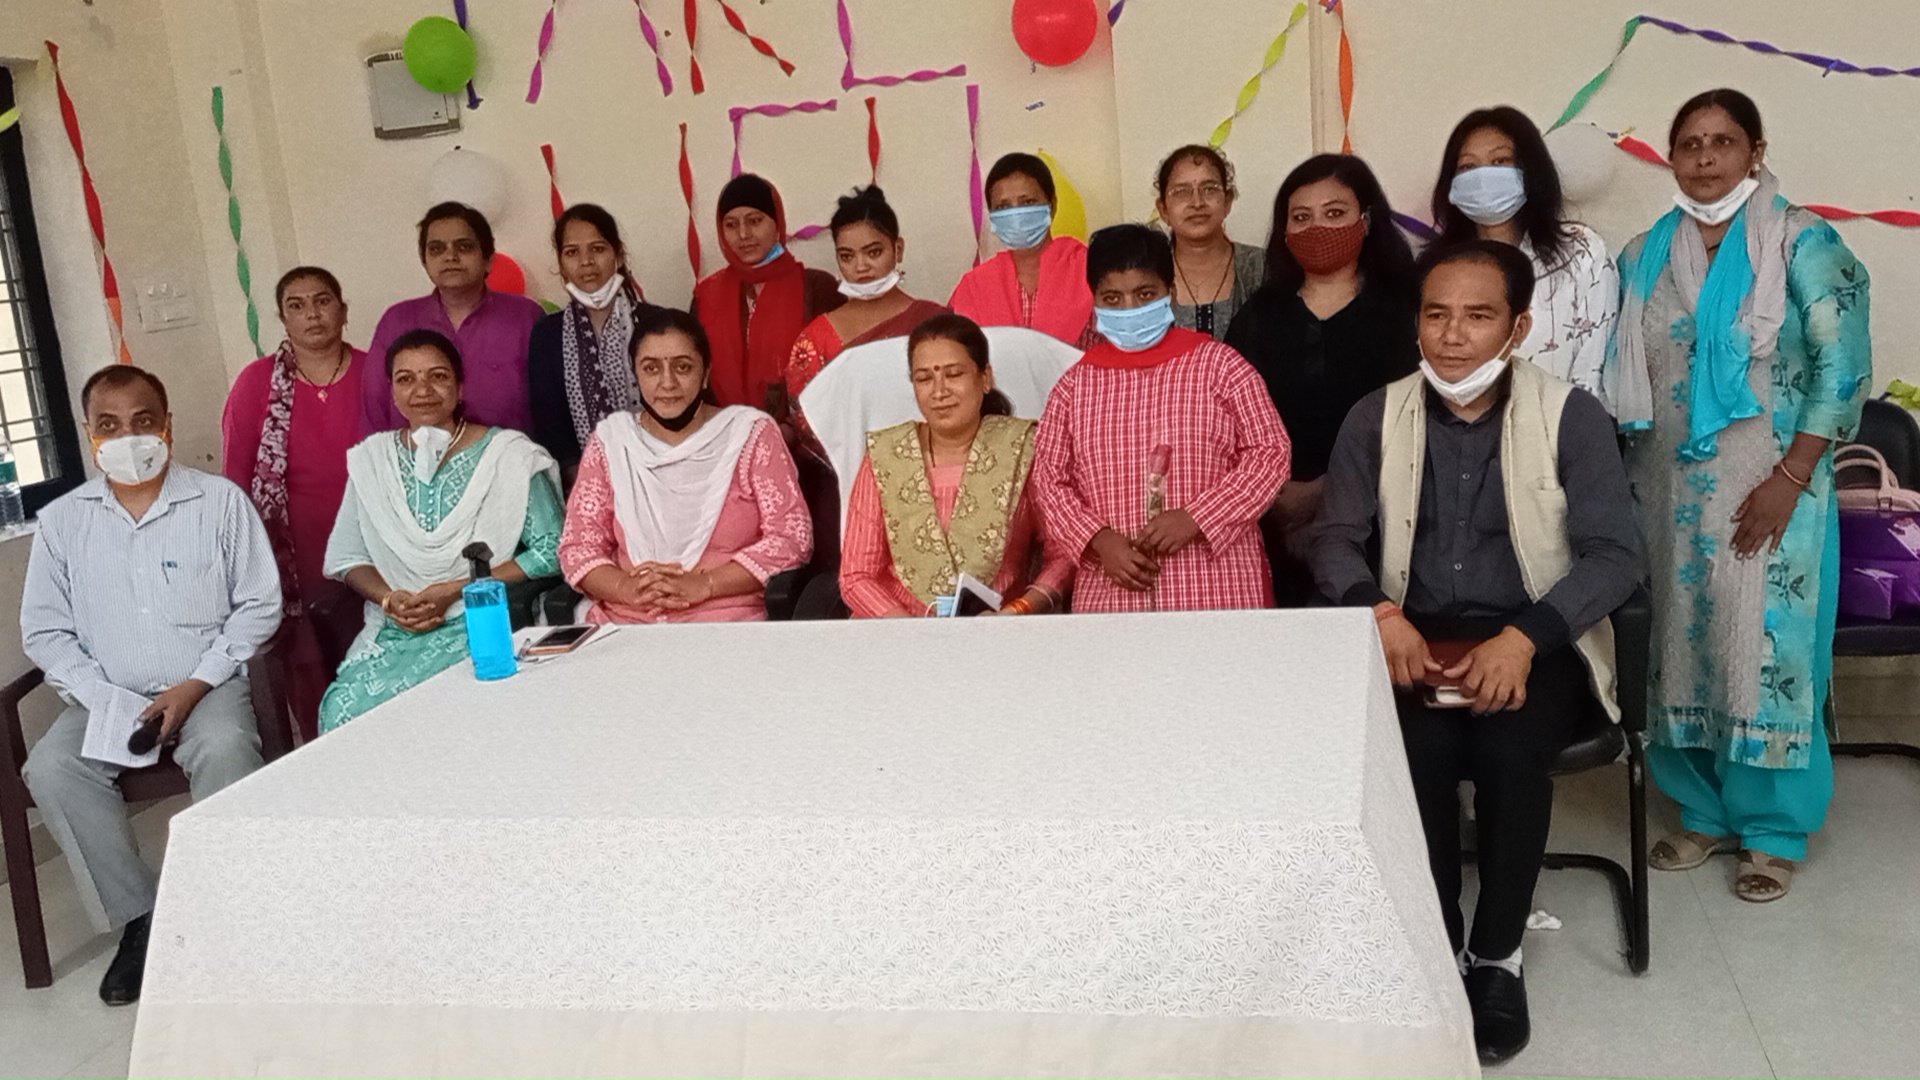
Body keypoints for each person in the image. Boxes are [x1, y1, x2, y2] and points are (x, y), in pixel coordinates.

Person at [1313, 241, 1642, 1065]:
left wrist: (1524, 639)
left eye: (1478, 316)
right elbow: (1334, 540)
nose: (1452, 336)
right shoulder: (1374, 415)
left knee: (1507, 752)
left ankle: (1496, 958)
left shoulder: (1572, 416)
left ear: (1518, 327)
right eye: (1436, 315)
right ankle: (1432, 943)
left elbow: (1615, 557)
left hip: (1537, 635)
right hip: (1412, 630)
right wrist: (1379, 613)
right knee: (1410, 757)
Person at [1611, 89, 1871, 902]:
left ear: (1756, 150)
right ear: (1670, 156)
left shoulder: (1802, 242)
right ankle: (1701, 812)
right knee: (1679, 651)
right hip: (1665, 493)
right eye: (1688, 142)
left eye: (1722, 141)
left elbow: (1843, 370)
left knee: (1765, 659)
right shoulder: (1644, 253)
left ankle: (1771, 832)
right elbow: (1619, 372)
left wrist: (1789, 480)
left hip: (1775, 489)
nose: (1704, 156)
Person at [22, 365, 281, 1005]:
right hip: (106, 696)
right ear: (88, 434)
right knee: (52, 767)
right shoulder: (61, 522)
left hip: (205, 688)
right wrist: (101, 696)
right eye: (108, 425)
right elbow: (45, 631)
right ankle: (141, 920)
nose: (127, 437)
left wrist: (195, 685)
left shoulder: (219, 503)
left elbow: (258, 604)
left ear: (167, 425)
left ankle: (230, 912)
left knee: (225, 748)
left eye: (142, 421)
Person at [1031, 224, 1289, 613]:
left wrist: (1198, 517)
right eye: (1112, 298)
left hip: (1218, 588)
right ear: (1094, 300)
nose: (1129, 309)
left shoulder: (1221, 367)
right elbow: (1049, 481)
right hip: (1112, 596)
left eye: (1145, 294)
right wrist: (1099, 540)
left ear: (1171, 292)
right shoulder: (1073, 387)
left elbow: (1271, 453)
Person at [322, 330, 564, 732]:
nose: (422, 391)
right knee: (346, 712)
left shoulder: (508, 455)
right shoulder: (373, 460)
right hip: (397, 628)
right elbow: (349, 557)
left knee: (455, 713)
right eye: (406, 379)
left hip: (481, 621)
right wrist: (390, 600)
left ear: (460, 385)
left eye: (437, 376)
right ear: (392, 392)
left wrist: (458, 589)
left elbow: (552, 548)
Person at [1223, 154, 1420, 605]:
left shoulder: (1408, 310)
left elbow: (1417, 416)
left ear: (1366, 221)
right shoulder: (1259, 315)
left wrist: (1323, 493)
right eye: (1301, 218)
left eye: (1334, 213)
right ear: (1284, 231)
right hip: (1270, 522)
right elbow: (1225, 419)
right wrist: (1273, 494)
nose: (1317, 229)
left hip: (1382, 523)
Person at [560, 308, 812, 623]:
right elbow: (578, 547)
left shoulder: (750, 435)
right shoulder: (612, 443)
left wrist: (706, 584)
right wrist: (627, 588)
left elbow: (792, 538)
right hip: (627, 621)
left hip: (725, 619)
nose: (667, 383)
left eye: (682, 367)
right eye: (651, 368)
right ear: (636, 375)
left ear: (705, 373)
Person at [841, 313, 1074, 617]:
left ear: (985, 378)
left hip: (996, 631)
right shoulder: (885, 456)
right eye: (924, 379)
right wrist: (907, 629)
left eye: (953, 375)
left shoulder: (1022, 449)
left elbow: (1064, 551)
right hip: (895, 633)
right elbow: (856, 575)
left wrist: (1019, 610)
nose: (939, 392)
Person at [221, 267, 367, 741]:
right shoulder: (256, 384)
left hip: (374, 545)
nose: (312, 314)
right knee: (311, 672)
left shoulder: (377, 372)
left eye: (322, 301)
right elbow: (237, 481)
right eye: (297, 306)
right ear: (283, 319)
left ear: (343, 310)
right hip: (293, 557)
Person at [1430, 106, 1620, 410]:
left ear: (1530, 169)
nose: (1483, 178)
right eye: (1467, 166)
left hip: (1559, 431)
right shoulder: (1436, 268)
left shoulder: (1581, 252)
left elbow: (1592, 372)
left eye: (1500, 161)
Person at [361, 202, 546, 435]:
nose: (450, 256)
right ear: (425, 261)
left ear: (488, 259)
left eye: (464, 247)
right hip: (415, 457)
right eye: (437, 249)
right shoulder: (397, 321)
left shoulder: (525, 317)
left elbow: (551, 408)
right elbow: (375, 411)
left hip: (510, 456)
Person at [690, 174, 843, 420]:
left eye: (755, 221)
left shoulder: (818, 288)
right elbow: (695, 376)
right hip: (725, 434)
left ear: (777, 223)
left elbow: (838, 376)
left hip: (803, 437)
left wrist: (787, 431)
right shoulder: (707, 296)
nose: (743, 234)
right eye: (731, 225)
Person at [527, 203, 661, 481]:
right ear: (561, 265)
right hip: (583, 483)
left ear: (619, 256)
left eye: (598, 249)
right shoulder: (547, 334)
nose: (586, 261)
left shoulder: (658, 324)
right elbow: (550, 423)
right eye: (572, 252)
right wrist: (589, 482)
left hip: (660, 473)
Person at [784, 185, 948, 403]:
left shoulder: (936, 321)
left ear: (898, 249)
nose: (861, 267)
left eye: (873, 252)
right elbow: (805, 414)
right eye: (847, 256)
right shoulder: (816, 339)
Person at [948, 152, 1097, 348]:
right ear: (992, 216)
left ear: (1052, 206)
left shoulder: (1092, 270)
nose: (1016, 214)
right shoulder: (974, 286)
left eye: (1028, 202)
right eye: (1003, 206)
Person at [1153, 144, 1267, 339]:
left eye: (1209, 189)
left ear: (1227, 201)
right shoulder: (1147, 273)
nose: (1197, 203)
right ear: (1163, 209)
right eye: (1181, 192)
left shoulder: (1262, 267)